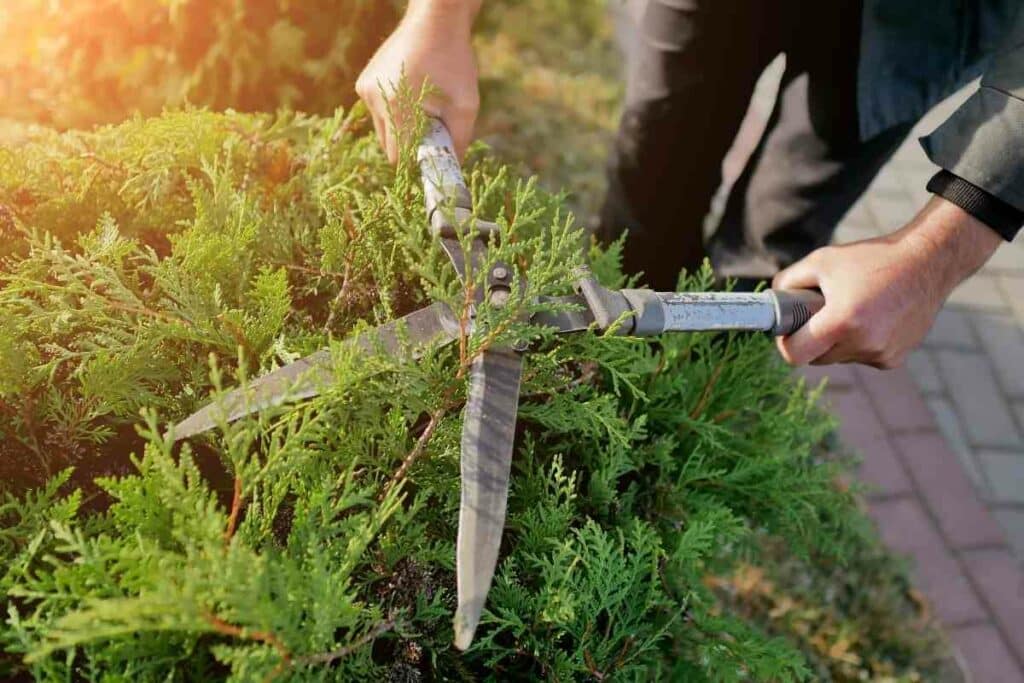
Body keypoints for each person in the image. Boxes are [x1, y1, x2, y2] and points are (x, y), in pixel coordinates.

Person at [356, 0, 1024, 369]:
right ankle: (604, 372)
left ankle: (696, 389)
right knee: (651, 182)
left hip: (919, 21)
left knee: (772, 249)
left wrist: (942, 246)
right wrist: (436, 17)